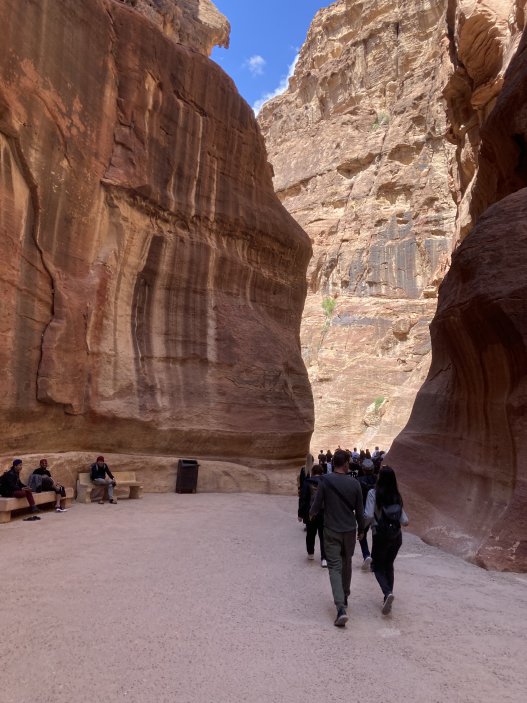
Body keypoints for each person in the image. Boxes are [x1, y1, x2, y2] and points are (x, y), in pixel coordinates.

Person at [310, 449, 365, 627]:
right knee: (346, 562)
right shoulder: (355, 484)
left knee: (334, 567)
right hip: (349, 530)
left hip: (331, 529)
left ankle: (340, 607)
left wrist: (311, 514)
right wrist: (362, 529)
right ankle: (345, 596)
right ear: (346, 464)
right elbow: (360, 510)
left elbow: (317, 503)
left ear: (333, 463)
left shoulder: (326, 481)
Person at [364, 466, 409, 615]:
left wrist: (362, 528)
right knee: (389, 565)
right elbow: (405, 521)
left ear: (380, 478)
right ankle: (387, 596)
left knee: (377, 566)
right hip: (396, 536)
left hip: (380, 535)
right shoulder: (397, 495)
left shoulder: (373, 493)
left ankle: (387, 592)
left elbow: (369, 515)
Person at [298, 465, 327, 567]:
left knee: (310, 533)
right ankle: (324, 558)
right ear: (322, 472)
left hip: (310, 513)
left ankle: (311, 553)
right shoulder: (325, 482)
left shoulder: (307, 482)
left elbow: (303, 499)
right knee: (323, 535)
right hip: (323, 512)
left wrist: (300, 514)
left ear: (313, 472)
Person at [357, 459, 376, 570]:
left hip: (363, 512)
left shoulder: (358, 480)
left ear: (363, 469)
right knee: (375, 535)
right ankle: (374, 560)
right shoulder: (378, 479)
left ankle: (366, 555)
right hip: (377, 513)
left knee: (361, 534)